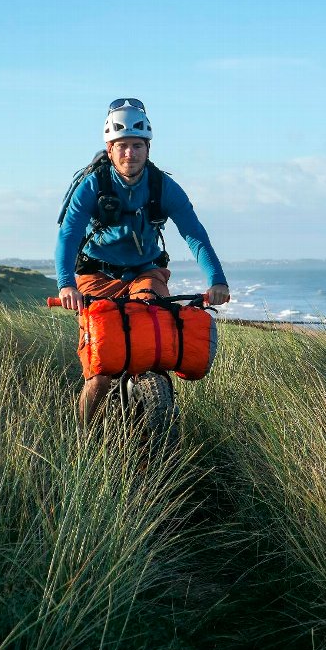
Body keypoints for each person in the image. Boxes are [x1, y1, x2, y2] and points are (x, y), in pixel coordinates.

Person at [55, 97, 230, 425]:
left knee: (157, 349)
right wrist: (66, 284)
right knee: (101, 373)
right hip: (96, 272)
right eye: (121, 146)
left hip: (145, 271)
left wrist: (216, 280)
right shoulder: (93, 184)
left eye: (137, 145)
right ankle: (81, 442)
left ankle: (158, 428)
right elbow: (67, 236)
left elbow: (195, 234)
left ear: (148, 148)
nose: (129, 153)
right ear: (110, 149)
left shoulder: (163, 186)